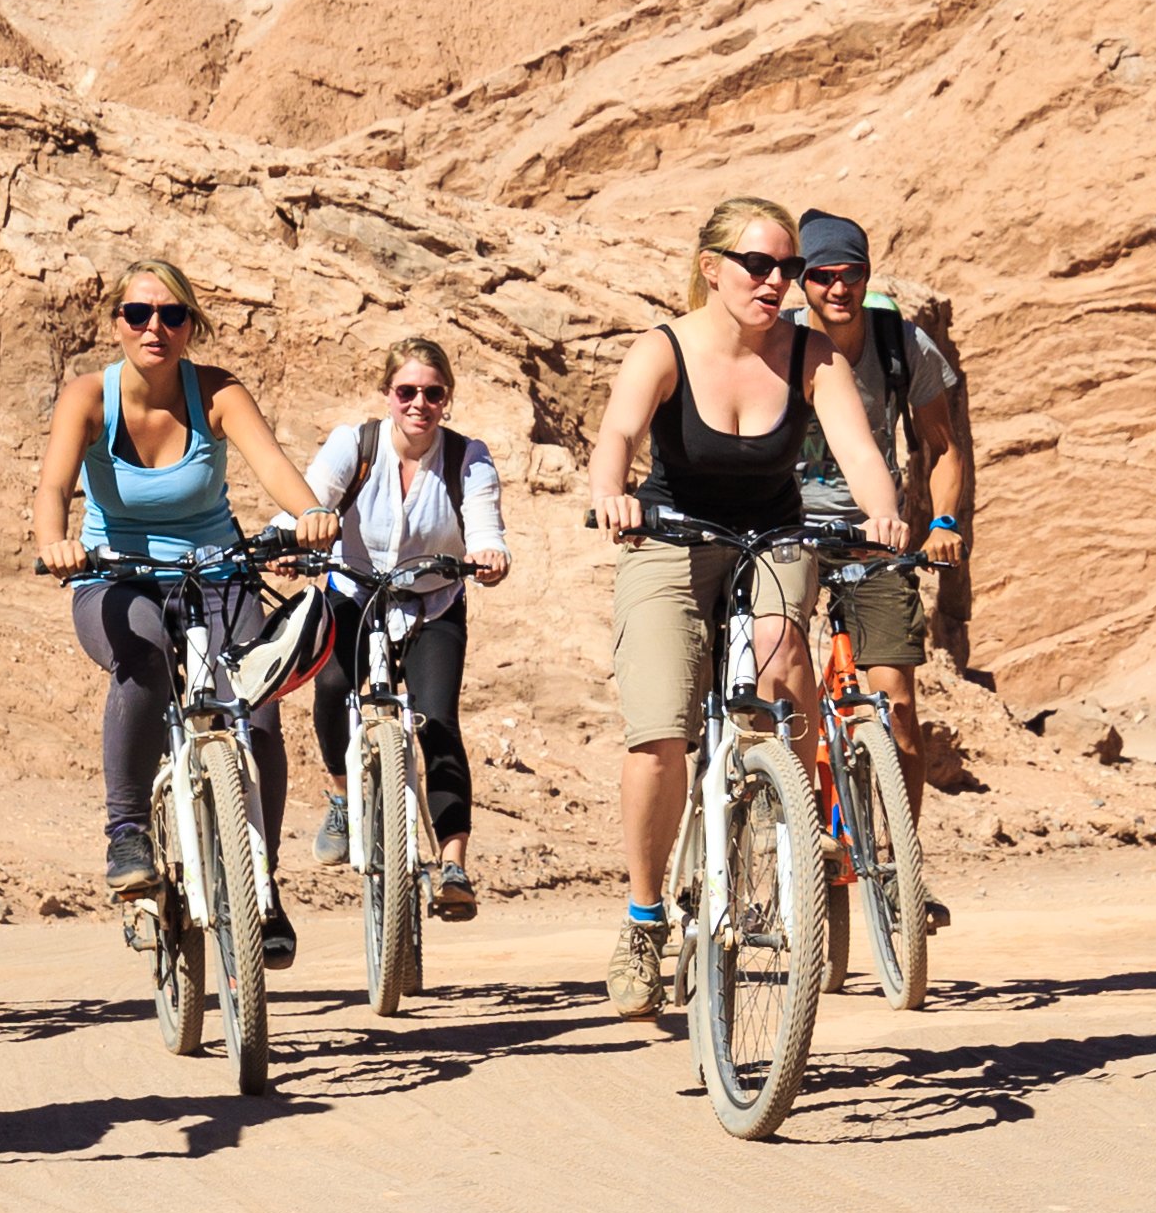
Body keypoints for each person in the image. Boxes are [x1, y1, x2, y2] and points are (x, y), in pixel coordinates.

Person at [584, 196, 908, 1021]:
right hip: (668, 538)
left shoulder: (810, 354)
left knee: (782, 641)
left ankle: (786, 813)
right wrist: (609, 494)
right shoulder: (664, 347)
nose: (776, 282)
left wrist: (884, 513)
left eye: (788, 268)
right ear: (711, 268)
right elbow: (618, 433)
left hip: (771, 531)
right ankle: (645, 920)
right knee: (659, 732)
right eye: (757, 265)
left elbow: (859, 450)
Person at [27, 258, 331, 967]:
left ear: (192, 325)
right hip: (116, 576)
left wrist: (311, 512)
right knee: (141, 658)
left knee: (256, 713)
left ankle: (260, 879)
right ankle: (128, 831)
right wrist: (55, 543)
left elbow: (274, 466)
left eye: (170, 315)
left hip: (218, 574)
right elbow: (52, 485)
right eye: (137, 314)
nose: (154, 327)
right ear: (116, 324)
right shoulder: (88, 397)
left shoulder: (217, 392)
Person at [299, 337, 511, 922]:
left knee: (438, 721)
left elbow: (485, 521)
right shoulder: (355, 444)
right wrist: (290, 539)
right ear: (388, 394)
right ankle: (343, 797)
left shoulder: (468, 457)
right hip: (355, 594)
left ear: (447, 399)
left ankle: (453, 864)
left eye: (433, 393)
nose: (419, 403)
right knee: (331, 687)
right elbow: (311, 501)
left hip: (432, 603)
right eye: (407, 391)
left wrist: (491, 553)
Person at [789, 211, 974, 870]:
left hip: (873, 527)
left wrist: (943, 522)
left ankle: (901, 864)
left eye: (852, 274)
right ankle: (797, 824)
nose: (838, 288)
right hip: (786, 526)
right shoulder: (773, 341)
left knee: (895, 699)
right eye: (822, 275)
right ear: (801, 279)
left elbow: (941, 446)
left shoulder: (902, 344)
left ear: (867, 275)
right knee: (784, 676)